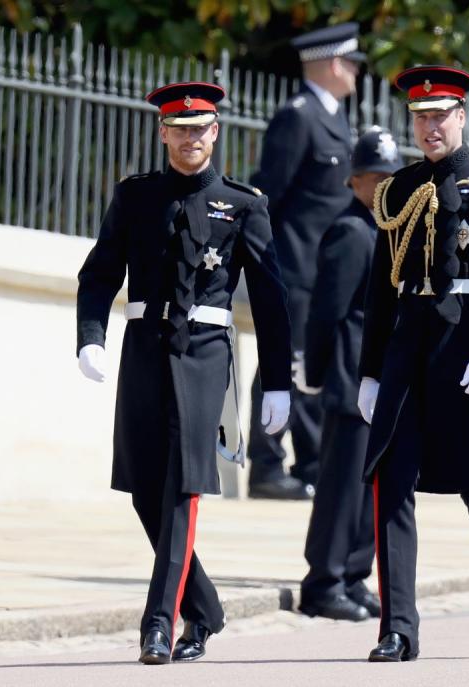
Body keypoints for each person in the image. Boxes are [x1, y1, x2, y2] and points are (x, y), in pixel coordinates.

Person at [76, 81, 292, 664]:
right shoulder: (137, 196)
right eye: (179, 127)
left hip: (204, 352)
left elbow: (270, 300)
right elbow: (99, 274)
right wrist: (90, 338)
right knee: (145, 488)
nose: (190, 137)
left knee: (181, 486)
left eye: (201, 128)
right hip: (144, 345)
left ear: (215, 132)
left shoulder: (244, 203)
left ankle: (157, 624)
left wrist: (277, 382)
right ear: (162, 132)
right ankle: (205, 607)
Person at [358, 66, 469, 662]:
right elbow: (382, 287)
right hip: (409, 350)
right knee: (390, 484)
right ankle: (397, 628)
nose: (430, 126)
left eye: (441, 115)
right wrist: (370, 369)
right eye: (421, 116)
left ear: (462, 117)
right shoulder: (400, 189)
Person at [246, 22, 364, 499]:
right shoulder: (299, 117)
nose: (357, 73)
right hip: (295, 266)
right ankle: (267, 467)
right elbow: (267, 193)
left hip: (325, 270)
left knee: (312, 365)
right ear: (335, 63)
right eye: (353, 64)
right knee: (282, 363)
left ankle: (312, 462)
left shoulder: (333, 117)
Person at [295, 127, 402, 622]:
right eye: (372, 177)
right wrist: (315, 371)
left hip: (380, 378)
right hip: (348, 376)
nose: (382, 186)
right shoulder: (351, 231)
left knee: (368, 488)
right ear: (354, 181)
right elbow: (327, 311)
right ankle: (323, 583)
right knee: (341, 488)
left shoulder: (386, 232)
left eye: (389, 177)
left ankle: (355, 575)